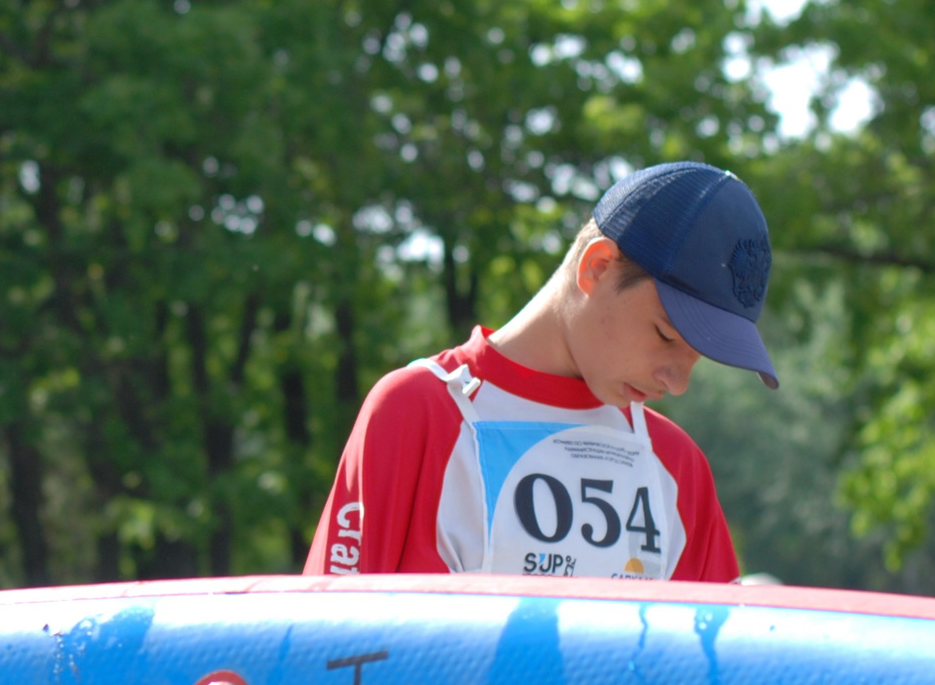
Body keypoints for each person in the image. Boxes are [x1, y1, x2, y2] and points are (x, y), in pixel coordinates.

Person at [306, 161, 775, 582]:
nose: (677, 382)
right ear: (597, 267)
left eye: (698, 356)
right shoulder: (417, 414)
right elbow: (326, 645)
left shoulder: (678, 467)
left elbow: (714, 676)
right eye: (667, 335)